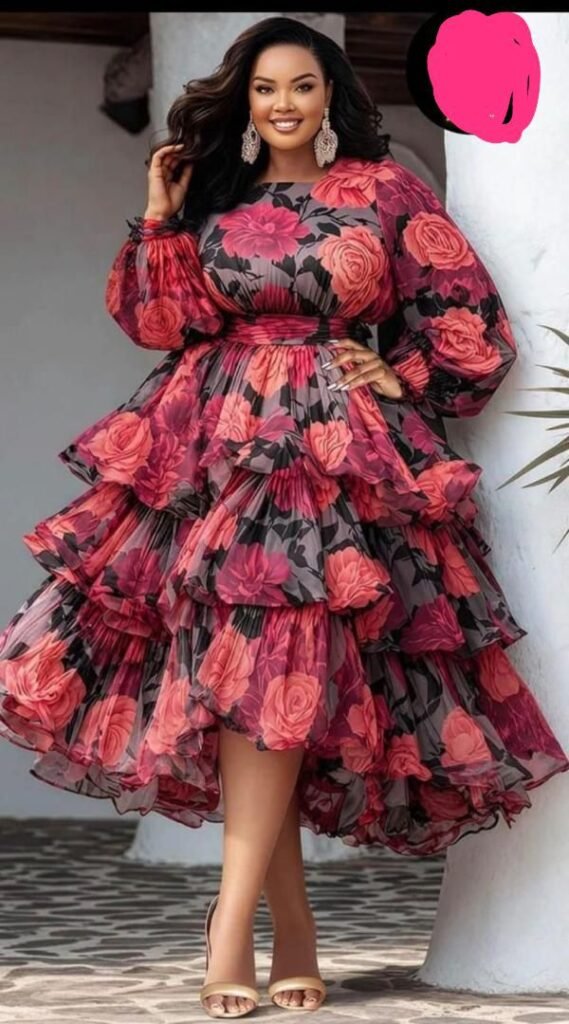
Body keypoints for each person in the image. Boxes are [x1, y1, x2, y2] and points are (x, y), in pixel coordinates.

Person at [0, 15, 568, 1020]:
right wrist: (159, 215)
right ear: (245, 102)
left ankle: (232, 924)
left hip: (333, 451)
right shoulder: (214, 193)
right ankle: (287, 922)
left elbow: (467, 313)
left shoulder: (384, 191)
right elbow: (160, 322)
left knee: (282, 668)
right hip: (209, 446)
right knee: (241, 676)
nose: (282, 105)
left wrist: (399, 374)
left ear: (330, 93)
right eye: (264, 89)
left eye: (301, 85)